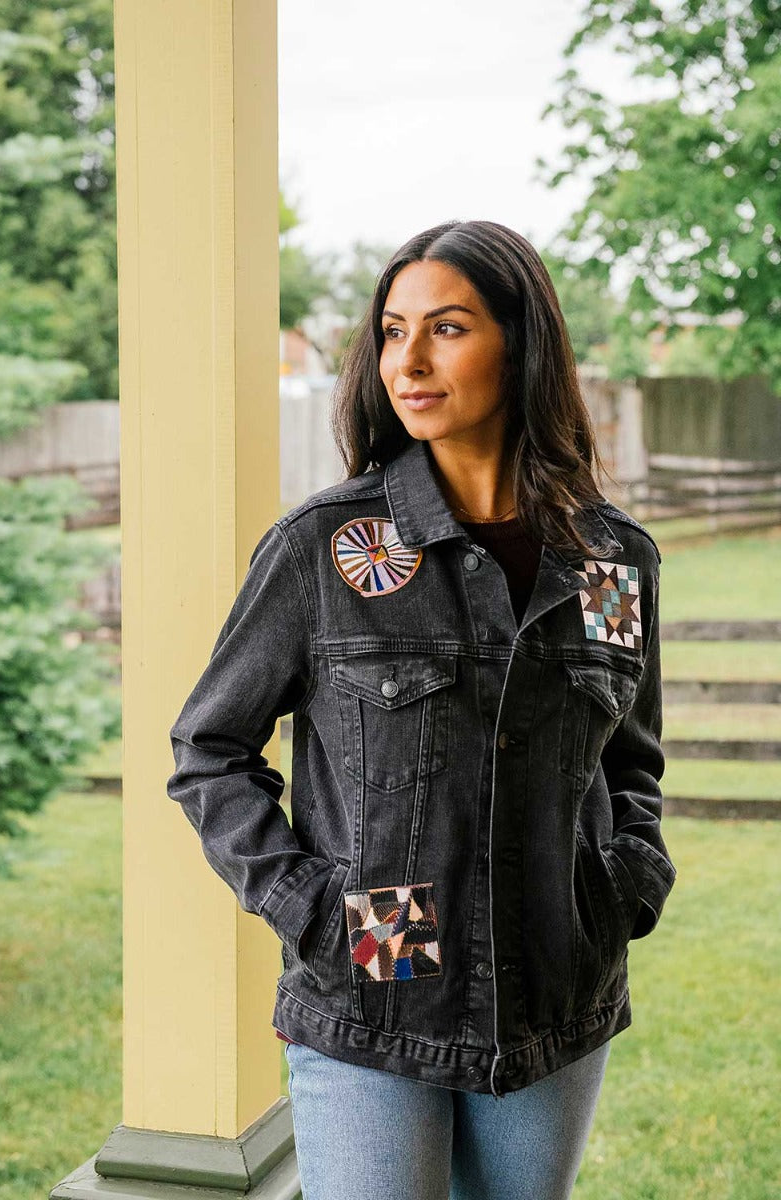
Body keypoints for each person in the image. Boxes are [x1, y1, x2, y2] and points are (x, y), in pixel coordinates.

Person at [166, 219, 676, 1199]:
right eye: (392, 331)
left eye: (445, 327)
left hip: (555, 983)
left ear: (520, 345)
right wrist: (307, 908)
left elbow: (629, 761)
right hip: (376, 981)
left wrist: (623, 885)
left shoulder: (612, 561)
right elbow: (207, 748)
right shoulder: (328, 546)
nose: (407, 358)